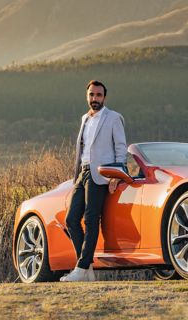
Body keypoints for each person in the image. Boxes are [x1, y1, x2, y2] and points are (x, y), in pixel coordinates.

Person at [60, 80, 127, 282]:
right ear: (87, 96)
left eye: (98, 95)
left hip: (101, 174)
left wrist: (116, 174)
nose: (94, 98)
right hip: (82, 173)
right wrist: (78, 174)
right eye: (91, 95)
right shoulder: (85, 119)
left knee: (91, 220)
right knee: (71, 220)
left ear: (104, 97)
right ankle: (86, 267)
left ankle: (81, 268)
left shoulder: (113, 118)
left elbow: (121, 148)